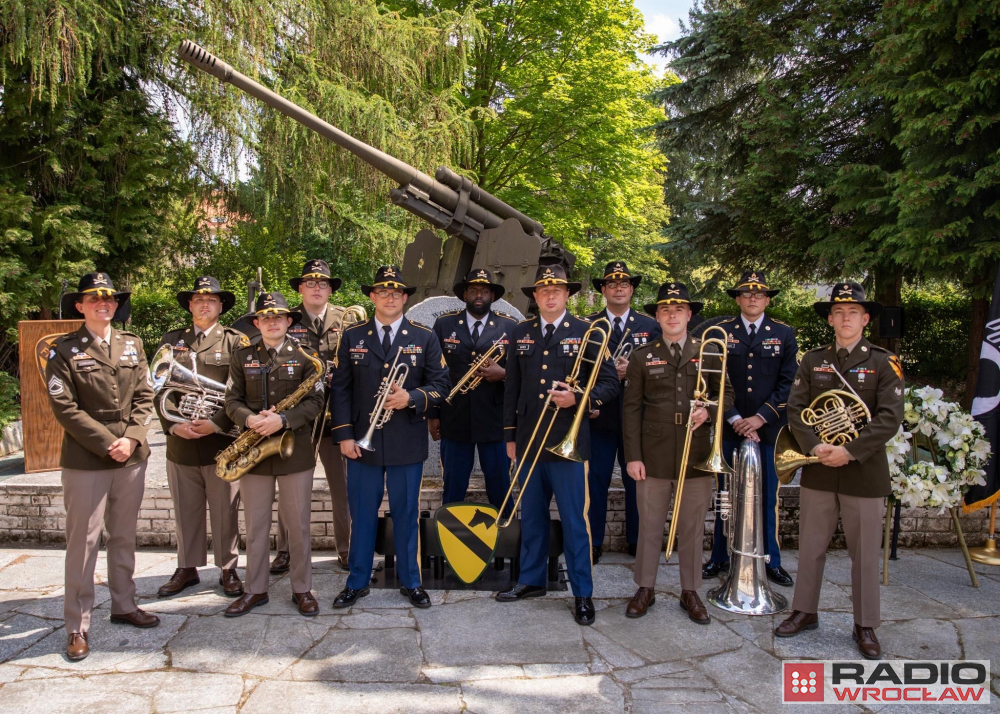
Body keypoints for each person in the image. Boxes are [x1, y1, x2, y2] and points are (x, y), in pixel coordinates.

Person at [774, 281, 904, 660]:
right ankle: (804, 611)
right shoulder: (813, 360)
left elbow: (888, 418)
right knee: (811, 546)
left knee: (863, 553)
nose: (846, 318)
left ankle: (865, 624)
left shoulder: (883, 361)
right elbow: (797, 410)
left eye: (853, 312)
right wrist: (815, 445)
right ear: (831, 319)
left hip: (863, 470)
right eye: (839, 312)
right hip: (818, 466)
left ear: (865, 319)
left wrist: (848, 450)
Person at [46, 272, 160, 661]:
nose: (103, 303)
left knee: (125, 536)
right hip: (86, 460)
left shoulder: (132, 344)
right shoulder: (63, 350)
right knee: (84, 544)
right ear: (80, 305)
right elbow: (65, 408)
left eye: (109, 298)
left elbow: (145, 395)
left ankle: (124, 605)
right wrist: (106, 442)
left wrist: (131, 437)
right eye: (94, 298)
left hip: (130, 455)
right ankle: (77, 625)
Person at [496, 264, 619, 626]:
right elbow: (511, 390)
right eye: (543, 290)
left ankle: (582, 592)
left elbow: (610, 385)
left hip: (569, 446)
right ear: (535, 296)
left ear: (568, 295)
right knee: (531, 517)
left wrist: (578, 398)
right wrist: (509, 438)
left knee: (574, 521)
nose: (550, 295)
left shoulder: (588, 332)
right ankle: (531, 580)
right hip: (529, 442)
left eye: (558, 290)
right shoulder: (521, 332)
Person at [330, 266, 450, 609]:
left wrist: (409, 398)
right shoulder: (353, 336)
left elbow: (441, 385)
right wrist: (343, 436)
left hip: (405, 442)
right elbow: (341, 391)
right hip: (360, 445)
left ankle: (412, 581)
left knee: (406, 514)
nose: (390, 297)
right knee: (362, 514)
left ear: (405, 297)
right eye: (383, 291)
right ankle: (357, 581)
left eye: (396, 292)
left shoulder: (423, 336)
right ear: (372, 296)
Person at [622, 282, 734, 624]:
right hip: (653, 454)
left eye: (679, 310)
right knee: (650, 526)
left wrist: (710, 412)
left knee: (691, 527)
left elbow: (726, 396)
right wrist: (633, 456)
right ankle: (645, 587)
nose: (672, 315)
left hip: (697, 454)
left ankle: (691, 591)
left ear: (689, 315)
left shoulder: (711, 351)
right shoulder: (643, 356)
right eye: (666, 310)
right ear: (657, 316)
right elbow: (631, 409)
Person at [223, 292, 325, 617]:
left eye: (278, 317)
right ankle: (255, 590)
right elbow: (231, 401)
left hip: (294, 450)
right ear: (256, 323)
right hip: (254, 449)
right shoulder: (241, 357)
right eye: (265, 317)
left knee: (298, 525)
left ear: (288, 321)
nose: (272, 321)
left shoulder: (308, 358)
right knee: (254, 526)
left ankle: (302, 589)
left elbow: (315, 403)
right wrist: (249, 419)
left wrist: (282, 420)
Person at [154, 276, 248, 600]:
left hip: (220, 442)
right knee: (185, 509)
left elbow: (241, 393)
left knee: (226, 510)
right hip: (180, 442)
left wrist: (215, 422)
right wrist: (171, 426)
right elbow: (157, 389)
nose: (204, 304)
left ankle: (228, 568)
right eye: (198, 299)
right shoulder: (172, 341)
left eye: (211, 300)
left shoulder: (235, 342)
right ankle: (187, 568)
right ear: (190, 305)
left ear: (221, 306)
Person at [702, 270, 797, 587]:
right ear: (738, 299)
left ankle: (771, 559)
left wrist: (759, 418)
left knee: (768, 497)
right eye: (746, 294)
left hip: (769, 430)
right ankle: (719, 556)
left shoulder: (784, 334)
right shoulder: (720, 333)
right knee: (725, 496)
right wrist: (733, 418)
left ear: (767, 300)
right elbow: (711, 380)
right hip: (729, 428)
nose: (753, 298)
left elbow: (788, 385)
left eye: (759, 294)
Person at [269, 259, 352, 575]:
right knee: (290, 489)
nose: (317, 288)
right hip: (299, 418)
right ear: (300, 288)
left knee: (342, 489)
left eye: (323, 284)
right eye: (310, 283)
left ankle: (346, 549)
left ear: (330, 289)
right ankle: (285, 550)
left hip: (336, 418)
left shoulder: (346, 320)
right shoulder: (286, 321)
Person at [586, 261, 661, 562]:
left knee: (638, 482)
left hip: (638, 418)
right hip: (599, 417)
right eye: (612, 284)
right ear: (603, 290)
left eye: (624, 284)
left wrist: (635, 370)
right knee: (596, 481)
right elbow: (579, 370)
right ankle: (593, 542)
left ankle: (636, 540)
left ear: (631, 290)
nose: (618, 288)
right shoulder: (589, 325)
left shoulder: (650, 326)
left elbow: (661, 369)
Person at [430, 268, 516, 510]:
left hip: (496, 421)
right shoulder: (444, 325)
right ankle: (447, 542)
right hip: (454, 418)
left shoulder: (510, 327)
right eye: (474, 290)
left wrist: (504, 374)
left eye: (485, 291)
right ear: (465, 294)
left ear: (492, 296)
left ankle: (505, 542)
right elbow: (435, 373)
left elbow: (523, 373)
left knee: (500, 486)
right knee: (453, 487)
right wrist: (433, 415)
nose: (480, 295)